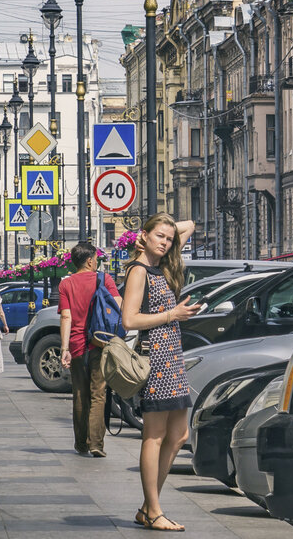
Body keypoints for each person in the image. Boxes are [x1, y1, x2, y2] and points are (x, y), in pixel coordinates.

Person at [121, 214, 200, 532]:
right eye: (159, 237)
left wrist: (157, 235)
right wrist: (173, 313)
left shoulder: (162, 261)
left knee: (179, 435)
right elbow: (129, 320)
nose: (166, 242)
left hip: (173, 357)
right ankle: (153, 510)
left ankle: (147, 507)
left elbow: (190, 224)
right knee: (153, 436)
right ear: (145, 236)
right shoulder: (139, 270)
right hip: (156, 358)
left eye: (169, 238)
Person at [59, 241, 122, 458]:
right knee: (98, 394)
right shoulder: (104, 279)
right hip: (100, 342)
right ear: (89, 260)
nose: (97, 262)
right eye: (96, 258)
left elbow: (65, 316)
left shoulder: (66, 285)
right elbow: (118, 307)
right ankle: (96, 444)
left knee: (79, 393)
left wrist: (64, 347)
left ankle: (80, 443)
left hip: (76, 345)